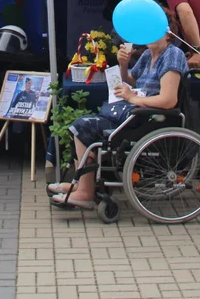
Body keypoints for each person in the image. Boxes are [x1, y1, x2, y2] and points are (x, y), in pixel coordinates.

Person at [48, 25, 187, 209]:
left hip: (150, 118)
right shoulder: (147, 55)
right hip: (134, 113)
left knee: (83, 126)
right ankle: (83, 185)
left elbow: (168, 99)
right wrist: (123, 64)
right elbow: (130, 81)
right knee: (84, 125)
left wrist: (133, 98)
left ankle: (85, 191)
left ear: (168, 33)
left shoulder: (172, 55)